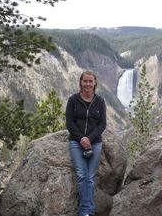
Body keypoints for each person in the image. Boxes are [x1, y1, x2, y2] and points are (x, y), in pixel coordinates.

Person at [66, 70, 106, 216]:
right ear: (81, 83)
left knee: (90, 177)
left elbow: (102, 124)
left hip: (95, 143)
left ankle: (87, 211)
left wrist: (89, 138)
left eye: (90, 81)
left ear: (95, 84)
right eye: (85, 81)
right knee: (82, 174)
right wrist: (81, 138)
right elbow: (69, 123)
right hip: (76, 143)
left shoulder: (100, 101)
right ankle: (86, 212)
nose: (88, 84)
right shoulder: (73, 100)